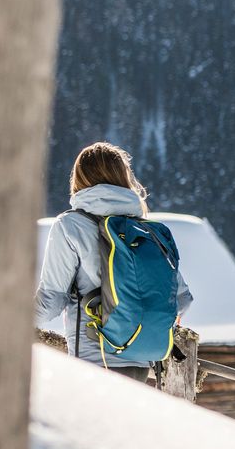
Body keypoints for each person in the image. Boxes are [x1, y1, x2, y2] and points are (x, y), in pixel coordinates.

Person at [35, 142, 193, 382]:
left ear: (80, 179)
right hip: (141, 364)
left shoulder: (70, 226)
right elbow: (181, 299)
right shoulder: (148, 231)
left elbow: (51, 301)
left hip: (93, 363)